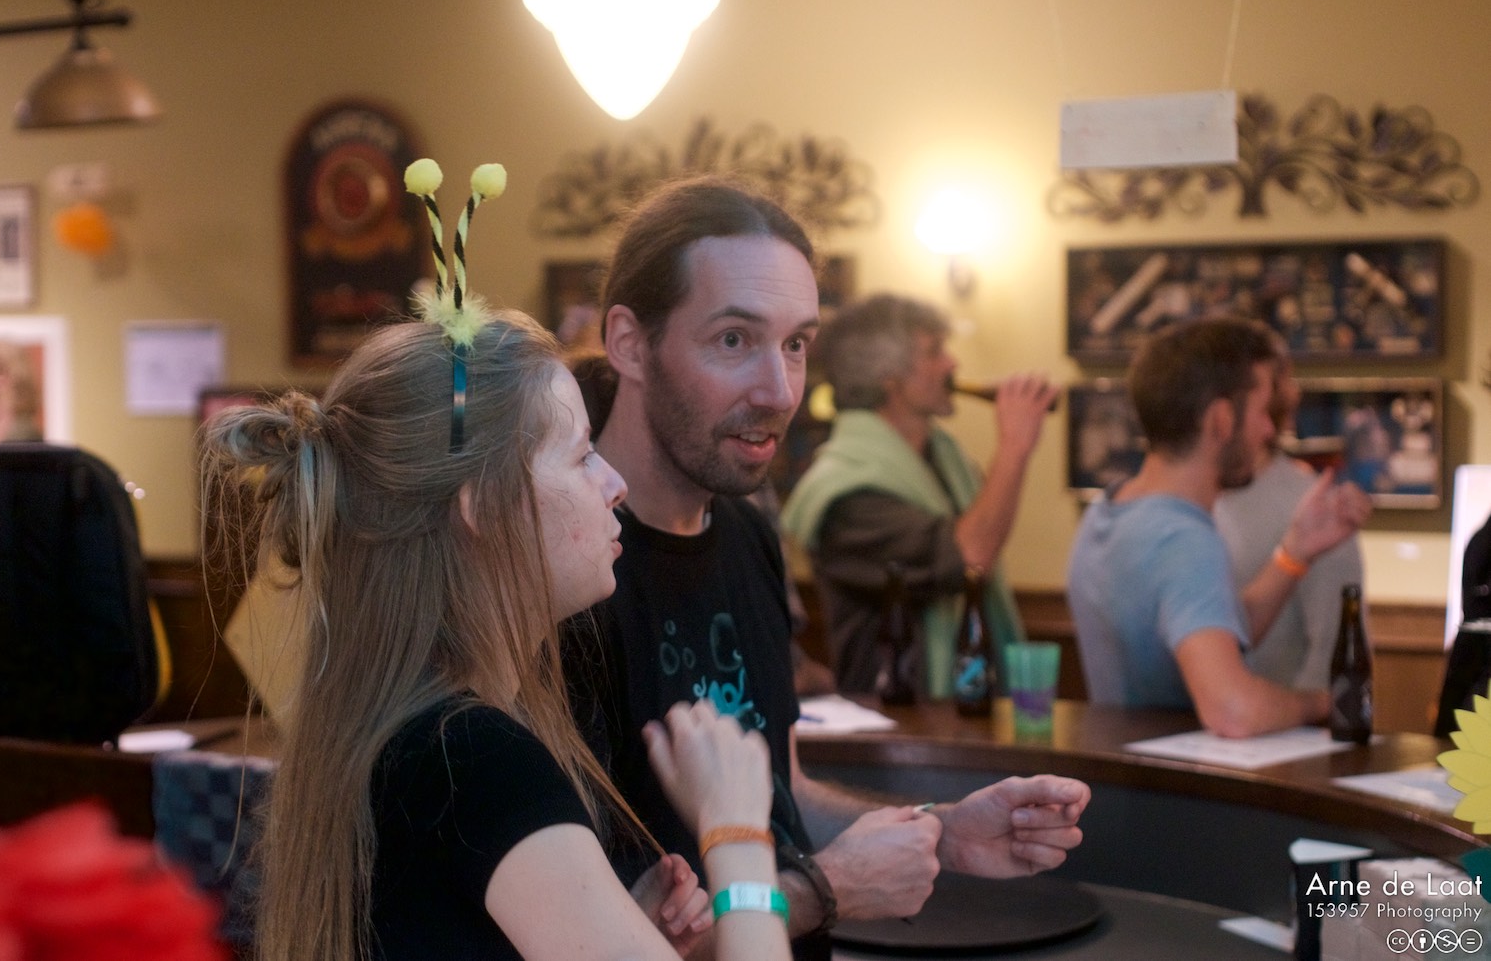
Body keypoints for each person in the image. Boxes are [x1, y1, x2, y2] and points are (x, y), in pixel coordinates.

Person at [200, 160, 792, 961]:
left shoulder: (415, 727)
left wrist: (619, 922)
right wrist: (738, 837)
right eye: (579, 456)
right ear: (483, 504)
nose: (613, 484)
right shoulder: (476, 761)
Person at [564, 175, 1091, 961]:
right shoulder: (561, 566)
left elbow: (784, 796)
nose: (779, 391)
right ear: (629, 343)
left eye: (795, 344)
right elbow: (584, 943)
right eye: (733, 340)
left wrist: (940, 830)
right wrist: (822, 889)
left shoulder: (746, 534)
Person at [1066, 316, 1374, 738]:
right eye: (1263, 411)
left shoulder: (1105, 513)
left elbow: (1207, 625)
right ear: (1221, 420)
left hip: (1117, 770)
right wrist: (1324, 702)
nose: (1270, 429)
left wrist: (1295, 552)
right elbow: (1233, 711)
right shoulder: (1185, 540)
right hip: (1174, 780)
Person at [779, 293, 1056, 696]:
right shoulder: (845, 492)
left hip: (968, 705)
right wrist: (1015, 446)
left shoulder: (946, 460)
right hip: (896, 716)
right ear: (887, 376)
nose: (953, 364)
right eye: (934, 351)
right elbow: (970, 556)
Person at [1213, 329, 1365, 692]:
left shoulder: (1313, 505)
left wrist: (1305, 715)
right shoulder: (1182, 507)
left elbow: (1332, 654)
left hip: (1281, 724)